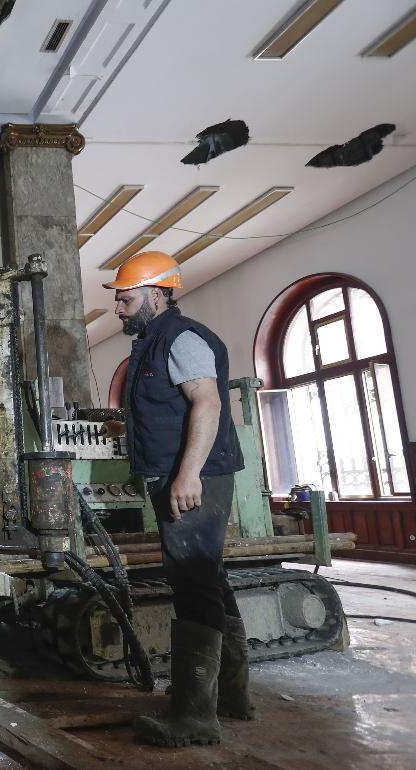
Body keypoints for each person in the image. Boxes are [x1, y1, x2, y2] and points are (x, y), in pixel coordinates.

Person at [103, 251, 251, 747]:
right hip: (178, 472)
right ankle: (231, 698)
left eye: (126, 299)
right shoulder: (152, 343)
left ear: (157, 294)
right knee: (208, 580)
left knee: (191, 583)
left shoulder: (182, 337)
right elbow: (169, 410)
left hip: (196, 475)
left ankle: (192, 718)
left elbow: (207, 404)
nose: (120, 308)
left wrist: (188, 475)